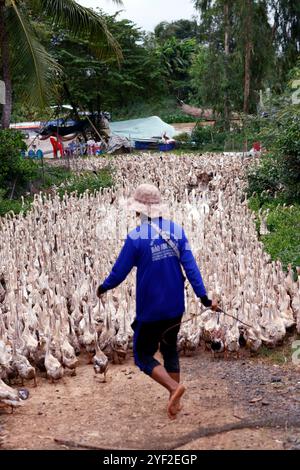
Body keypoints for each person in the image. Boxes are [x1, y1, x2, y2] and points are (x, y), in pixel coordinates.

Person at [96, 184, 218, 420]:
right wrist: (203, 297)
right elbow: (191, 268)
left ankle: (173, 389)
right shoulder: (177, 231)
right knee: (170, 348)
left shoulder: (135, 238)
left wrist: (104, 287)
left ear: (140, 211)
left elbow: (119, 272)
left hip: (151, 310)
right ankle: (174, 403)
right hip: (175, 308)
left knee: (142, 355)